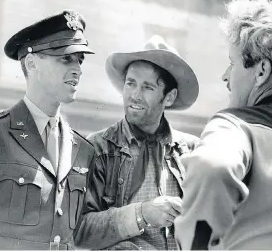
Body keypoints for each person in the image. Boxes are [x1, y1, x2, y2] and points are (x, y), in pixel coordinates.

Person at [0, 10, 95, 250]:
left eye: (80, 59)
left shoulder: (83, 149)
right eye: (66, 58)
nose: (77, 68)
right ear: (31, 63)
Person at [174, 0, 272, 250]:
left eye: (232, 63)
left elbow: (211, 166)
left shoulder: (235, 125)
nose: (225, 76)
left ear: (261, 71)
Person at [74, 35, 199, 250]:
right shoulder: (96, 148)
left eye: (147, 87)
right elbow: (80, 230)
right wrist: (142, 214)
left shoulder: (192, 150)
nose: (135, 95)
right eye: (130, 83)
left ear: (169, 97)